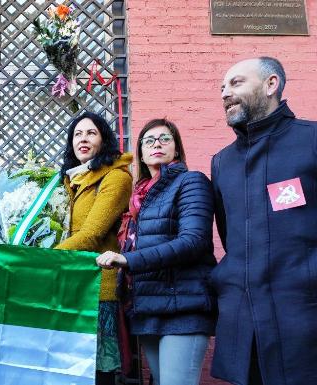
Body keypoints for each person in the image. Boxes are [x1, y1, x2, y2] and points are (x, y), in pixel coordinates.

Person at [211, 57, 317, 385]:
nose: (225, 93)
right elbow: (230, 237)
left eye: (237, 83)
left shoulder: (311, 141)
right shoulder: (222, 162)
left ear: (271, 85)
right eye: (223, 87)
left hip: (304, 322)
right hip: (246, 329)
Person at [96, 119, 217, 385]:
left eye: (165, 139)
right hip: (149, 306)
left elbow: (194, 241)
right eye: (148, 141)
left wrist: (128, 259)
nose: (157, 145)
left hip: (183, 307)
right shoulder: (140, 196)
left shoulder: (190, 182)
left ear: (177, 148)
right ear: (140, 151)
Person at [54, 111, 132, 385]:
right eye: (77, 134)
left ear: (104, 139)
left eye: (91, 133)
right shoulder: (68, 180)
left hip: (98, 288)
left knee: (98, 372)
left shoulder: (115, 177)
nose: (83, 139)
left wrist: (45, 258)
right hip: (67, 282)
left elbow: (91, 234)